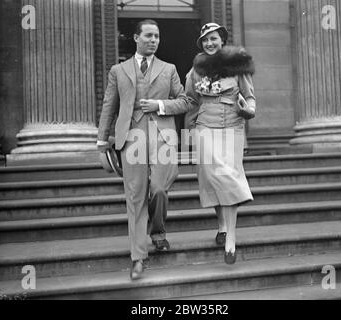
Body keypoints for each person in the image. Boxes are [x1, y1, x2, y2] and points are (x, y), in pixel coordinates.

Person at [97, 19, 190, 280]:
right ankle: (138, 258)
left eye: (157, 36)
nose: (153, 40)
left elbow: (185, 101)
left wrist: (160, 105)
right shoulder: (118, 70)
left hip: (163, 137)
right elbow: (109, 106)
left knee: (159, 188)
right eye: (148, 35)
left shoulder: (169, 69)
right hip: (130, 137)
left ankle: (158, 230)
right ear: (136, 38)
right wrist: (102, 142)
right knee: (136, 197)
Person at [184, 23, 256, 264]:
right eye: (205, 40)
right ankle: (223, 226)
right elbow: (191, 100)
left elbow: (250, 98)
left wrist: (249, 111)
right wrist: (189, 130)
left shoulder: (237, 65)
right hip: (204, 125)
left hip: (233, 127)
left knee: (227, 175)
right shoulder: (196, 69)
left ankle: (230, 239)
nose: (209, 43)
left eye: (213, 39)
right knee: (212, 176)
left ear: (222, 40)